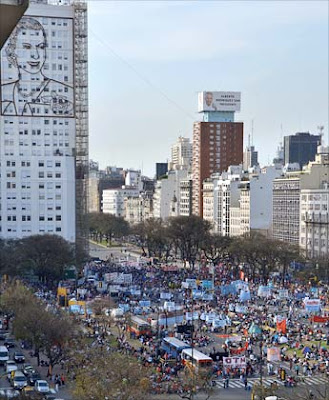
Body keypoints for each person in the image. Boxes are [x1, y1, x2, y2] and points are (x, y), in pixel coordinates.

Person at [1, 16, 73, 116]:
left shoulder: (66, 92)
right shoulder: (4, 91)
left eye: (41, 47)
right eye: (27, 47)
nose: (36, 55)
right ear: (12, 51)